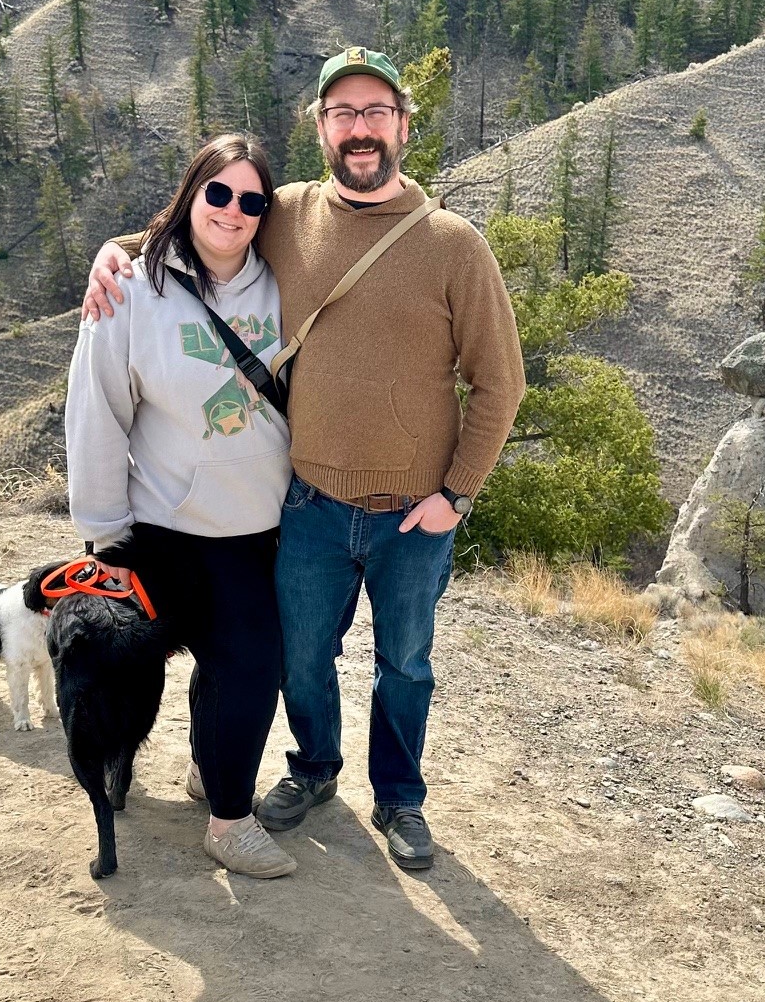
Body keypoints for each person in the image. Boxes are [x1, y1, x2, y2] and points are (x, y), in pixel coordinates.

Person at [83, 47, 526, 873]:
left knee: (406, 665)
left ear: (402, 124)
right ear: (321, 128)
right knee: (301, 661)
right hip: (310, 506)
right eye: (343, 114)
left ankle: (400, 799)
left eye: (376, 113)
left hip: (413, 513)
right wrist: (112, 253)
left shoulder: (453, 244)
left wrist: (456, 496)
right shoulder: (285, 213)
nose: (361, 130)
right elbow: (201, 219)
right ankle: (315, 770)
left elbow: (501, 385)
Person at [66, 132, 299, 880]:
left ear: (268, 212)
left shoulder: (287, 279)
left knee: (248, 666)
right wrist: (102, 534)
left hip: (256, 530)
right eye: (218, 192)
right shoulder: (129, 291)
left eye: (251, 199)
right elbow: (97, 411)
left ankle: (217, 788)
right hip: (162, 527)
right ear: (191, 194)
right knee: (190, 664)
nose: (233, 210)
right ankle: (231, 822)